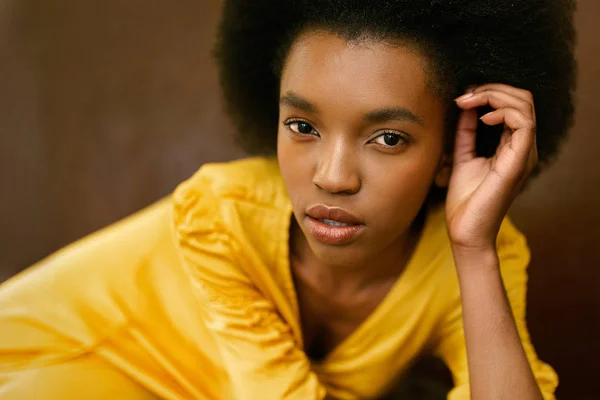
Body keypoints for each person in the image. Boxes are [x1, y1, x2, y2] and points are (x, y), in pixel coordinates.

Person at [0, 0, 576, 399]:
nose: (331, 177)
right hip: (40, 364)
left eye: (388, 138)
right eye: (302, 127)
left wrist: (473, 249)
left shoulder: (480, 255)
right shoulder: (223, 216)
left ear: (451, 153)